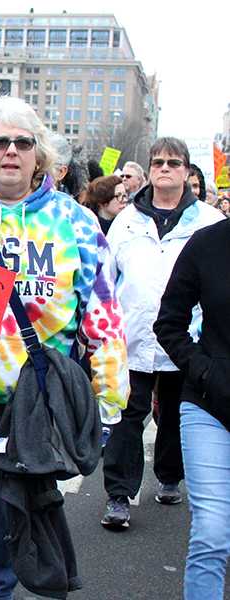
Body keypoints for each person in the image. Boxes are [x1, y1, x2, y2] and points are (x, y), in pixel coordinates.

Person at [0, 95, 128, 598]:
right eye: (1, 141)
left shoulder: (76, 221)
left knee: (13, 510)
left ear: (39, 154)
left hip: (38, 401)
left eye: (24, 142)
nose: (12, 150)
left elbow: (102, 314)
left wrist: (107, 404)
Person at [101, 137, 225, 530]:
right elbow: (107, 276)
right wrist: (103, 327)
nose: (165, 168)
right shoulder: (127, 220)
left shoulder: (209, 222)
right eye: (158, 162)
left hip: (186, 342)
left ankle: (170, 476)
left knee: (172, 416)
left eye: (174, 162)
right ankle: (119, 495)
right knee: (127, 415)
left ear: (188, 171)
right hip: (132, 336)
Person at [154, 219, 230, 600]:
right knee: (213, 532)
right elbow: (169, 323)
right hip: (209, 408)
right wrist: (205, 371)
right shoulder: (206, 244)